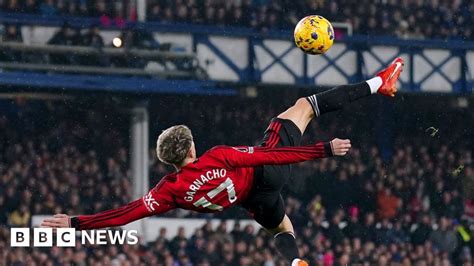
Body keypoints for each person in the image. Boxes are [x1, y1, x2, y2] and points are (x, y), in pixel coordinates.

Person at [41, 58, 404, 266]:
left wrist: (76, 223)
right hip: (266, 171)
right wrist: (322, 150)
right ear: (192, 147)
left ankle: (294, 261)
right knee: (304, 106)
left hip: (252, 201)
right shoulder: (217, 156)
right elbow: (270, 154)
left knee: (283, 229)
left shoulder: (168, 191)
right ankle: (379, 82)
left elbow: (128, 213)